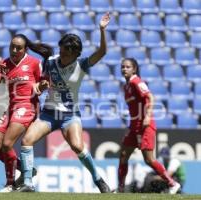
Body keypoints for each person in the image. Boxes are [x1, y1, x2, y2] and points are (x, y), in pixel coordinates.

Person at [16, 12, 111, 193]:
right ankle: (27, 182)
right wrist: (41, 85)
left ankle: (98, 180)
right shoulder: (51, 62)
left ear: (75, 54)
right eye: (60, 50)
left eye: (66, 53)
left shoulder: (82, 64)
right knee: (27, 140)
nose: (62, 55)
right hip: (49, 113)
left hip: (69, 115)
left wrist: (102, 30)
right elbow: (41, 83)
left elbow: (102, 52)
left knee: (77, 146)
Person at [0, 34, 53, 192]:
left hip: (28, 106)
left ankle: (10, 184)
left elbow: (43, 84)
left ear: (25, 49)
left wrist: (42, 85)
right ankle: (26, 168)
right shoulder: (4, 64)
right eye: (12, 47)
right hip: (11, 108)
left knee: (7, 144)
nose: (14, 50)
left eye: (18, 48)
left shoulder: (34, 63)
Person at [117, 58, 181, 194]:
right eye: (122, 67)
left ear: (134, 69)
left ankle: (172, 184)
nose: (124, 69)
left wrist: (147, 116)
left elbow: (150, 97)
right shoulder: (126, 86)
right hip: (133, 126)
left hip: (145, 125)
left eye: (128, 67)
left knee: (149, 159)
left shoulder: (136, 81)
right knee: (123, 155)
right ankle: (121, 189)